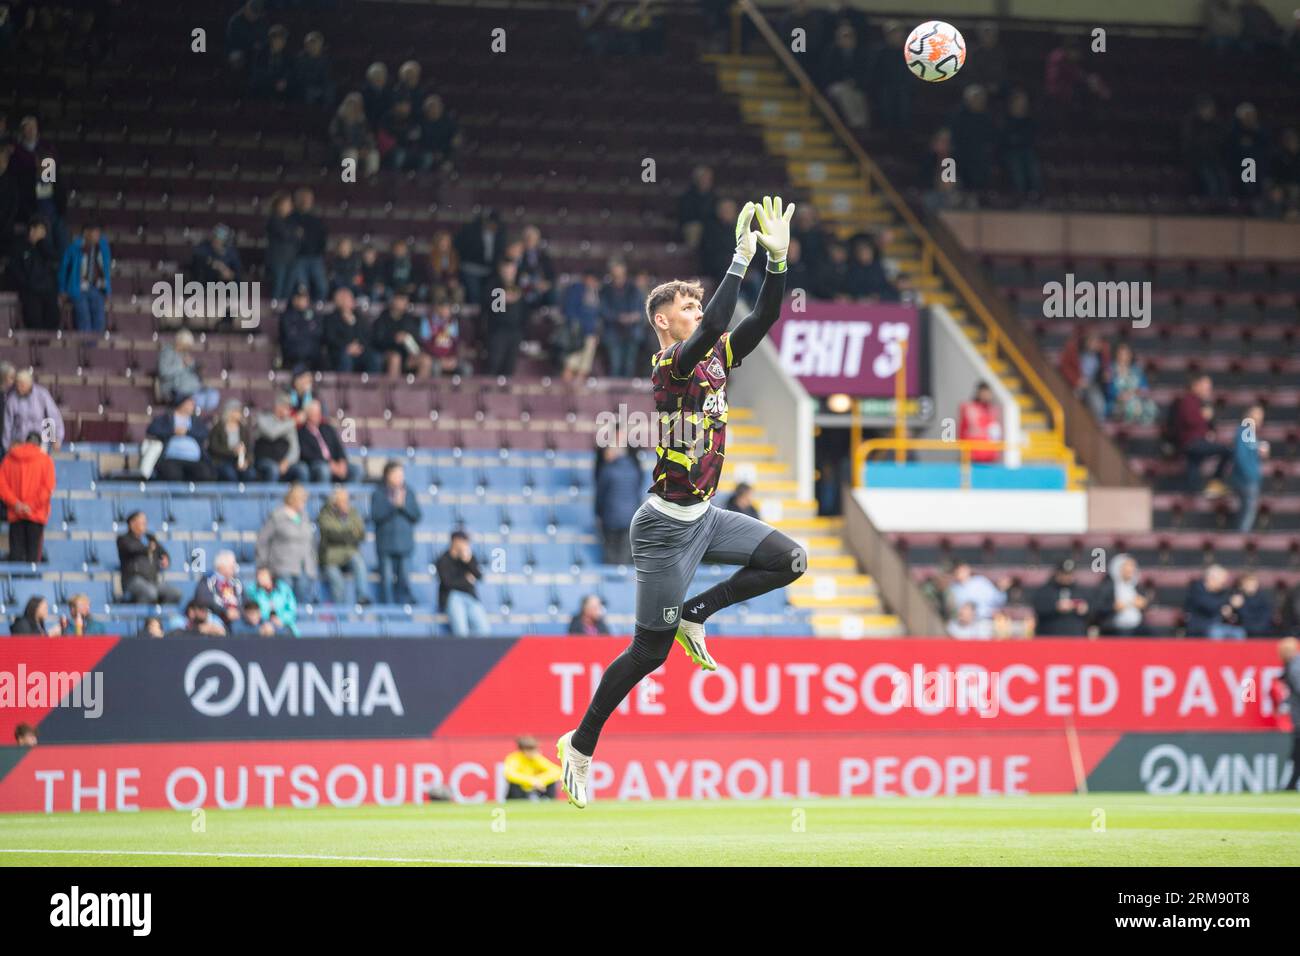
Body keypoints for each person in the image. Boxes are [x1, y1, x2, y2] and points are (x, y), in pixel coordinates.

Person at [557, 196, 806, 809]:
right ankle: (580, 746)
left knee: (791, 560)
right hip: (665, 528)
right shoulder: (670, 364)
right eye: (686, 305)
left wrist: (775, 261)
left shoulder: (717, 356)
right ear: (663, 322)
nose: (697, 310)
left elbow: (764, 317)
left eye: (698, 302)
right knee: (649, 652)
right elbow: (721, 321)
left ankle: (699, 612)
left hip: (709, 517)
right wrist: (739, 256)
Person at [256, 484, 317, 604]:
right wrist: (263, 566)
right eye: (301, 499)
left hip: (304, 568)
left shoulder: (305, 517)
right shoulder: (277, 516)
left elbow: (311, 541)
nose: (303, 503)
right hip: (283, 567)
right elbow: (262, 541)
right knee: (285, 604)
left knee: (303, 603)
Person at [1171, 373, 1231, 497]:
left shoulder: (1200, 402)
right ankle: (1215, 482)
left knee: (1193, 477)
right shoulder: (1187, 400)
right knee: (1228, 450)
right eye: (1205, 385)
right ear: (1196, 385)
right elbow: (1190, 421)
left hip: (1196, 442)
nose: (1208, 389)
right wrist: (1203, 417)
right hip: (1192, 443)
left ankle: (1191, 500)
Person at [0, 431, 54, 562]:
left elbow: (2, 486)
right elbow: (47, 489)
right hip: (36, 516)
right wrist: (30, 506)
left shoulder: (8, 459)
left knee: (16, 560)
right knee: (33, 561)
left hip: (15, 514)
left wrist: (16, 504)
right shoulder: (46, 461)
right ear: (39, 444)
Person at [372, 462, 421, 604]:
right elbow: (375, 515)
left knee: (404, 579)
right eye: (396, 473)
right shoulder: (379, 493)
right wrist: (392, 505)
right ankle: (388, 610)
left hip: (405, 545)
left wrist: (403, 506)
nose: (400, 477)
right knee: (386, 580)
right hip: (385, 544)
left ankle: (404, 608)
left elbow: (417, 515)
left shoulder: (409, 492)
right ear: (388, 475)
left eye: (401, 474)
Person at [318, 486, 370, 606]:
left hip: (349, 554)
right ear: (334, 502)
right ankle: (341, 616)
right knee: (338, 582)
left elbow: (361, 534)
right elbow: (332, 533)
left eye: (347, 500)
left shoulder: (353, 512)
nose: (346, 503)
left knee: (359, 562)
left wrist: (344, 532)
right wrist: (350, 532)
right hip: (330, 558)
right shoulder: (325, 513)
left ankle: (362, 597)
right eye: (343, 500)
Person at [117, 511, 182, 604]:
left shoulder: (149, 538)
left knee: (175, 593)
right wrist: (147, 548)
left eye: (145, 522)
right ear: (132, 524)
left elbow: (161, 551)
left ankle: (158, 617)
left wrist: (165, 558)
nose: (145, 524)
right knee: (150, 593)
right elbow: (131, 549)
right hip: (133, 581)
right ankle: (141, 615)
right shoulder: (123, 539)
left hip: (151, 581)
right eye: (142, 522)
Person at [146, 396, 215, 482]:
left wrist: (187, 432)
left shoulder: (195, 421)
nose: (193, 406)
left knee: (206, 473)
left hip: (194, 459)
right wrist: (173, 431)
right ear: (182, 403)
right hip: (171, 458)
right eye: (190, 403)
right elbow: (152, 429)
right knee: (173, 474)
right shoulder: (166, 418)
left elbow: (204, 433)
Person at [57, 224, 110, 332]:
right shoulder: (74, 248)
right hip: (78, 289)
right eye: (94, 232)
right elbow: (63, 270)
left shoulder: (102, 249)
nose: (97, 236)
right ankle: (86, 347)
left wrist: (108, 290)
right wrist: (62, 290)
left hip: (96, 288)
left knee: (99, 319)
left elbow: (106, 270)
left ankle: (93, 347)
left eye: (98, 233)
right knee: (83, 318)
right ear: (86, 233)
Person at [436, 530, 489, 637]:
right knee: (461, 632)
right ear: (455, 541)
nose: (466, 544)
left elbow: (479, 576)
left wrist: (468, 561)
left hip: (470, 596)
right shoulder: (443, 559)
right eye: (463, 541)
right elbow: (448, 583)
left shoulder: (468, 557)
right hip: (452, 597)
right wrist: (466, 580)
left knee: (484, 630)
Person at [594, 445, 641, 565]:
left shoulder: (607, 470)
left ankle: (611, 583)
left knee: (610, 557)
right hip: (630, 518)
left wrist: (598, 513)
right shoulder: (634, 470)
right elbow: (637, 494)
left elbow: (600, 496)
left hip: (611, 519)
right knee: (626, 555)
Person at [372, 291, 432, 379]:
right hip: (388, 353)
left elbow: (417, 339)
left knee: (426, 360)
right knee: (396, 358)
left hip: (407, 355)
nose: (404, 303)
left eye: (405, 301)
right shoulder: (383, 318)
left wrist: (413, 349)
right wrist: (394, 339)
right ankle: (393, 390)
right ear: (394, 301)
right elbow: (377, 340)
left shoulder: (409, 319)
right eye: (401, 300)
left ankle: (419, 391)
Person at [297, 400, 360, 484]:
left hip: (335, 463)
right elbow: (308, 455)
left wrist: (342, 462)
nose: (318, 415)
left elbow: (339, 447)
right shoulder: (301, 433)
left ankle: (347, 495)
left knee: (356, 470)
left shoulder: (328, 428)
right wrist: (330, 465)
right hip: (316, 465)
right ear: (308, 414)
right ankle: (324, 496)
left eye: (319, 412)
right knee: (324, 470)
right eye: (315, 413)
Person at [13, 220, 60, 331]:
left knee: (53, 317)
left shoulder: (46, 248)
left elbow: (55, 262)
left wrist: (43, 245)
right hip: (30, 291)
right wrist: (27, 284)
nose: (43, 233)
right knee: (34, 319)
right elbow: (16, 270)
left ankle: (46, 346)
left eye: (44, 230)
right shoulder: (20, 247)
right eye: (41, 230)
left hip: (47, 290)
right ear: (32, 230)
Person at [158, 329, 220, 413]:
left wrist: (196, 367)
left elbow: (190, 367)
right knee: (202, 399)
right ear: (179, 342)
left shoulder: (184, 353)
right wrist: (182, 365)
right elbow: (163, 372)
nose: (188, 348)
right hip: (175, 389)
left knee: (213, 395)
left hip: (192, 387)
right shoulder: (167, 352)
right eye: (186, 345)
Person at [3, 368, 64, 451]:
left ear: (29, 384)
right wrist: (7, 446)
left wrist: (57, 438)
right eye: (17, 385)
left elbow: (53, 416)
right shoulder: (12, 399)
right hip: (19, 442)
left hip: (40, 441)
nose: (19, 388)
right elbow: (7, 424)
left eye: (22, 385)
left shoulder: (42, 394)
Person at [254, 392, 307, 483]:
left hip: (283, 462)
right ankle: (271, 496)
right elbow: (272, 433)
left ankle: (299, 496)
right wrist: (293, 421)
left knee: (302, 469)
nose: (289, 410)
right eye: (286, 407)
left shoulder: (289, 423)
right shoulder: (262, 418)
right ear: (278, 406)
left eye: (289, 408)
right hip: (264, 460)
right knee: (273, 469)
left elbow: (295, 449)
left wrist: (287, 462)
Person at [324, 287, 379, 373]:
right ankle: (344, 385)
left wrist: (359, 346)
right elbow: (331, 338)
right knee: (345, 359)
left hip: (360, 350)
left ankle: (373, 385)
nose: (352, 300)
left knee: (374, 358)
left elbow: (367, 335)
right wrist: (347, 347)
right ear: (340, 301)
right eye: (348, 298)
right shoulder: (331, 318)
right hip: (340, 351)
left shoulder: (359, 317)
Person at [1096, 553, 1152, 637]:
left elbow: (1145, 604)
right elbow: (1098, 609)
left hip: (1137, 627)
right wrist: (1113, 607)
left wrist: (1143, 604)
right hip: (1115, 628)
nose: (1131, 570)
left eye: (1132, 567)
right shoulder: (1108, 587)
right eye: (1127, 567)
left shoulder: (1136, 586)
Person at [1232, 404, 1269, 533]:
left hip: (1248, 477)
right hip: (1246, 479)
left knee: (1247, 510)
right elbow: (1240, 456)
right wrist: (1250, 475)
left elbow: (1250, 452)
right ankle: (1241, 539)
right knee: (1248, 512)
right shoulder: (1245, 431)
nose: (1259, 420)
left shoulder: (1249, 432)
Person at [1184, 564, 1246, 639]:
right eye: (1221, 581)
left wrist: (1231, 608)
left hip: (1221, 625)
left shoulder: (1222, 592)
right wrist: (1229, 604)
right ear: (1211, 579)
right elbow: (1209, 606)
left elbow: (1228, 605)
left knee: (1239, 632)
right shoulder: (1197, 590)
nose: (1223, 584)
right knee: (1216, 632)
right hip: (1201, 626)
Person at [1032, 560, 1091, 637]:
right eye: (1064, 574)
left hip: (1076, 637)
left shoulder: (1081, 591)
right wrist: (1056, 607)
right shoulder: (1045, 591)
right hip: (1051, 636)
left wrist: (1085, 609)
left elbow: (1093, 611)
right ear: (1057, 573)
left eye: (1069, 574)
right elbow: (1038, 607)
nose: (1067, 577)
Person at [290, 187, 328, 303]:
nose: (306, 201)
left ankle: (319, 308)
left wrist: (320, 252)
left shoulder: (316, 219)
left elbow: (323, 236)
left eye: (308, 199)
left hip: (316, 257)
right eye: (303, 199)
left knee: (322, 287)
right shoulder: (292, 218)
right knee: (302, 288)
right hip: (299, 258)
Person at [194, 550, 245, 632]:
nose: (235, 568)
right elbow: (204, 599)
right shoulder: (208, 580)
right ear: (222, 566)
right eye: (232, 565)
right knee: (218, 630)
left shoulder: (237, 583)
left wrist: (238, 612)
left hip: (237, 619)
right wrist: (225, 611)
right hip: (216, 617)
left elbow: (245, 601)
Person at [1105, 343, 1156, 424]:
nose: (1123, 357)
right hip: (1118, 402)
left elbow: (1144, 387)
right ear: (1116, 355)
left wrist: (1133, 393)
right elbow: (1110, 389)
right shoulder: (1110, 369)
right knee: (1130, 407)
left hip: (1135, 398)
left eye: (1126, 354)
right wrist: (1120, 396)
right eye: (1121, 354)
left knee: (1150, 406)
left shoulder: (1136, 370)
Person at [945, 561, 1010, 623]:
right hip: (961, 625)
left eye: (962, 570)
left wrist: (1001, 589)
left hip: (984, 622)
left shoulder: (981, 582)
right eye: (957, 571)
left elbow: (998, 600)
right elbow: (951, 610)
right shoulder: (953, 588)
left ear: (967, 569)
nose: (960, 573)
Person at [208, 400, 256, 482]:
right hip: (222, 460)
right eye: (237, 411)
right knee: (230, 474)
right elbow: (214, 447)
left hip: (239, 460)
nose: (240, 413)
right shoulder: (218, 427)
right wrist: (233, 451)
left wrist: (247, 462)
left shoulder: (243, 429)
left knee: (251, 474)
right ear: (230, 412)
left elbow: (249, 449)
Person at [279, 286, 324, 371]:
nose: (302, 301)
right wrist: (307, 331)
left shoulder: (314, 315)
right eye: (299, 298)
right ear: (294, 299)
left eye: (304, 298)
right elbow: (290, 336)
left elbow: (318, 333)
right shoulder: (287, 316)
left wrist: (303, 331)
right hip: (294, 355)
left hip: (313, 355)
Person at [264, 191, 299, 303]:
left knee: (288, 286)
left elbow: (298, 236)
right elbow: (285, 234)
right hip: (278, 259)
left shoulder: (291, 220)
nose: (290, 207)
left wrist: (294, 234)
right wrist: (294, 233)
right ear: (279, 205)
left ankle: (283, 307)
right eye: (287, 204)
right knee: (278, 285)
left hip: (290, 258)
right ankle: (274, 307)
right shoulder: (274, 219)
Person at [247, 565, 300, 637]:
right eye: (258, 575)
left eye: (263, 575)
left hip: (283, 625)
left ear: (271, 576)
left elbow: (292, 610)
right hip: (262, 624)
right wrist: (265, 620)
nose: (260, 578)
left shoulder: (284, 589)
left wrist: (281, 620)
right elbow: (251, 610)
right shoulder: (252, 591)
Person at [503, 735, 562, 800]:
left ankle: (549, 801)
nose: (533, 752)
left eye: (534, 749)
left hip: (537, 786)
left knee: (551, 782)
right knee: (514, 784)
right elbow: (510, 774)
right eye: (529, 750)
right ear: (522, 750)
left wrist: (540, 780)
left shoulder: (537, 758)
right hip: (520, 790)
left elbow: (557, 771)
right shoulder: (514, 758)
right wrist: (531, 781)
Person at [958, 381, 1002, 464]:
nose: (986, 395)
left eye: (988, 393)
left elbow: (995, 434)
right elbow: (962, 431)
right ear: (978, 393)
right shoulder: (968, 408)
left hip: (990, 456)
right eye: (984, 392)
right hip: (973, 456)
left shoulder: (993, 410)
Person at [1278, 638, 1300, 791]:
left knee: (1297, 753)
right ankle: (1290, 785)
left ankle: (1290, 785)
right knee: (1297, 753)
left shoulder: (1294, 667)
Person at [1235, 573, 1274, 638]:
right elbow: (1241, 617)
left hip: (1262, 629)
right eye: (1248, 584)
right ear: (1243, 585)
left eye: (1253, 584)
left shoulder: (1264, 598)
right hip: (1245, 629)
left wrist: (1259, 627)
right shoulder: (1239, 598)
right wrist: (1238, 606)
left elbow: (1267, 616)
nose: (1251, 586)